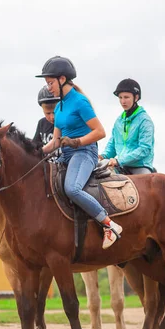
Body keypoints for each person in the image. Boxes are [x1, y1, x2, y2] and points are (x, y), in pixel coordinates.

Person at [37, 56, 122, 249]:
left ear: (62, 79)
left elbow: (100, 132)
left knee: (72, 189)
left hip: (84, 153)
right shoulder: (58, 107)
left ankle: (109, 225)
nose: (48, 87)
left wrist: (77, 141)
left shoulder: (80, 102)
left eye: (50, 83)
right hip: (66, 155)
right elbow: (55, 142)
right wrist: (35, 151)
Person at [99, 78, 155, 174]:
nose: (123, 101)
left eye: (126, 97)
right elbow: (112, 145)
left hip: (140, 167)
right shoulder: (119, 121)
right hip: (121, 166)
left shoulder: (145, 121)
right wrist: (103, 156)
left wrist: (119, 161)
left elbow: (144, 149)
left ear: (136, 98)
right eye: (120, 98)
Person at [33, 86, 61, 160]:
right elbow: (35, 146)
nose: (52, 117)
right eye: (48, 113)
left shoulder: (68, 123)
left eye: (55, 112)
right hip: (46, 167)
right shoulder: (42, 123)